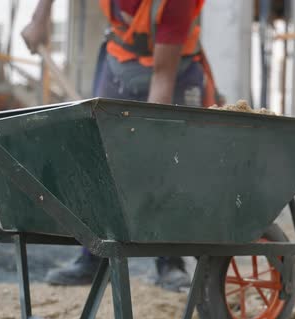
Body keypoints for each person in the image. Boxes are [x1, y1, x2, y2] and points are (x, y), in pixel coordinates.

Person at [21, 0, 222, 292]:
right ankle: (93, 255)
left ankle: (169, 262)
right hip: (121, 59)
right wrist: (39, 17)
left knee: (167, 159)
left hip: (174, 68)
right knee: (98, 153)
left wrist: (151, 139)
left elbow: (162, 77)